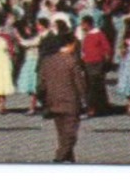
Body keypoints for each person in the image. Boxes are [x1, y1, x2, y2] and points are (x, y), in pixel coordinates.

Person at [37, 31, 87, 163]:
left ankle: (69, 159)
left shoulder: (47, 61)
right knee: (70, 134)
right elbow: (79, 83)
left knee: (62, 133)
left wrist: (44, 99)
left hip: (53, 101)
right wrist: (86, 100)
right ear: (69, 45)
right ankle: (58, 159)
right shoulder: (71, 61)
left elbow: (41, 84)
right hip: (70, 101)